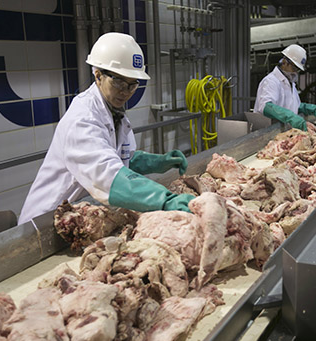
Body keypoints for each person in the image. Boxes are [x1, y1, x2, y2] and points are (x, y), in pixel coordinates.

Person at [18, 32, 194, 224]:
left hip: (81, 214)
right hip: (47, 222)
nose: (125, 92)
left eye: (132, 84)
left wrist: (157, 162)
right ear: (98, 75)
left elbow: (120, 157)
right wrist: (165, 200)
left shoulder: (114, 112)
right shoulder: (82, 119)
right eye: (118, 81)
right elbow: (107, 175)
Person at [253, 44, 316, 131]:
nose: (295, 72)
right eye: (294, 67)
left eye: (298, 69)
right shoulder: (271, 81)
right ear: (284, 62)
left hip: (284, 131)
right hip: (267, 131)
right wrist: (290, 116)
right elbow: (265, 106)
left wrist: (309, 108)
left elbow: (291, 105)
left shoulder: (290, 82)